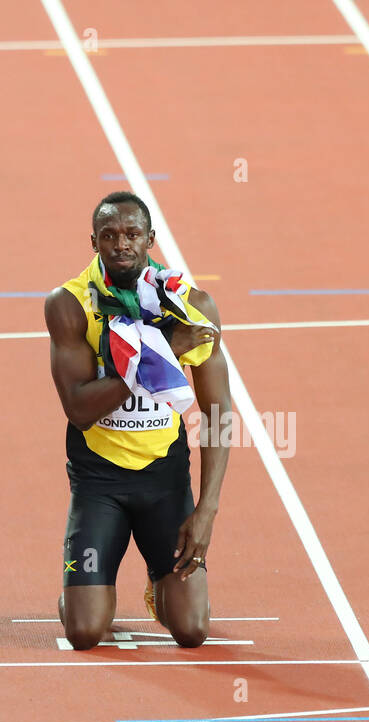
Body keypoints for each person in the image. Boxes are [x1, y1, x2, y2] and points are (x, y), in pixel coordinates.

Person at [44, 191, 231, 650]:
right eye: (109, 235)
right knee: (85, 632)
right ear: (94, 242)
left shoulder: (191, 306)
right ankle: (78, 591)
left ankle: (157, 580)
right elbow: (80, 409)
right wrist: (161, 357)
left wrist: (206, 509)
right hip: (98, 481)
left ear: (151, 238)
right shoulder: (69, 304)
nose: (120, 244)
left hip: (164, 482)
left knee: (191, 630)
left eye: (131, 234)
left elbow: (218, 411)